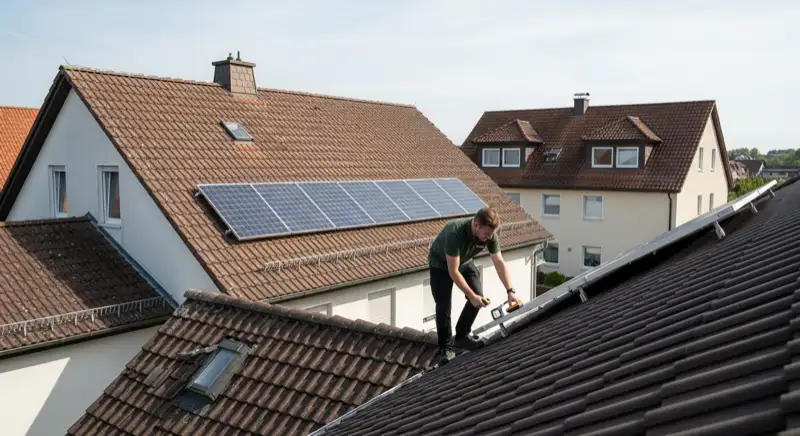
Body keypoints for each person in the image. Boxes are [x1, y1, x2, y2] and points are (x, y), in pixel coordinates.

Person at [427, 206, 521, 365]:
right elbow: (453, 272)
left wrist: (510, 291)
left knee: (479, 296)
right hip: (441, 265)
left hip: (464, 261)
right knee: (444, 305)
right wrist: (471, 296)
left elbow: (499, 262)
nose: (487, 238)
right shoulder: (455, 233)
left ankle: (462, 336)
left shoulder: (490, 235)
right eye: (486, 234)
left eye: (490, 235)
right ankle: (446, 348)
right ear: (476, 225)